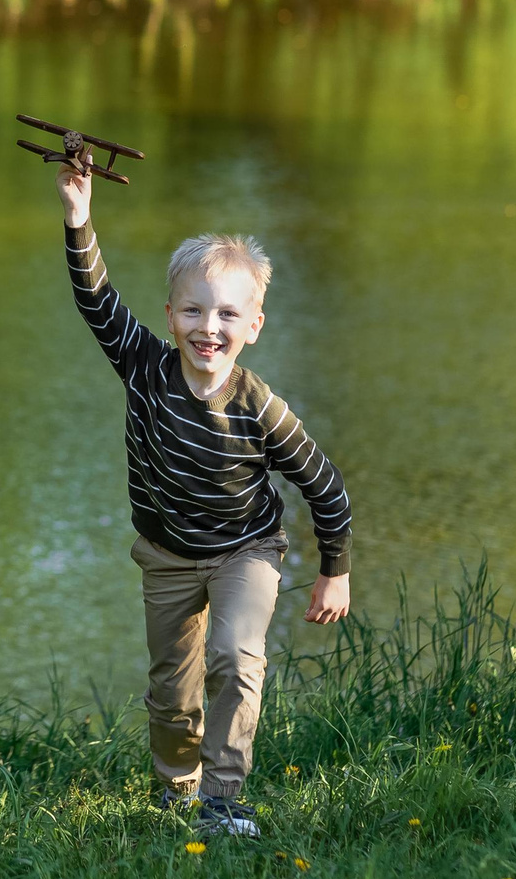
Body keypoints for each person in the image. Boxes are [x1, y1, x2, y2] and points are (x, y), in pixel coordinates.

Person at [58, 159, 351, 839]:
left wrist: (334, 568)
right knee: (171, 691)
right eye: (192, 309)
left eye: (226, 313)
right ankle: (174, 794)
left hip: (247, 548)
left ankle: (223, 799)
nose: (207, 326)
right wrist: (78, 217)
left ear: (254, 324)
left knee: (237, 656)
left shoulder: (261, 409)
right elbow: (97, 299)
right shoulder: (144, 365)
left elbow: (324, 485)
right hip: (166, 553)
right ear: (170, 314)